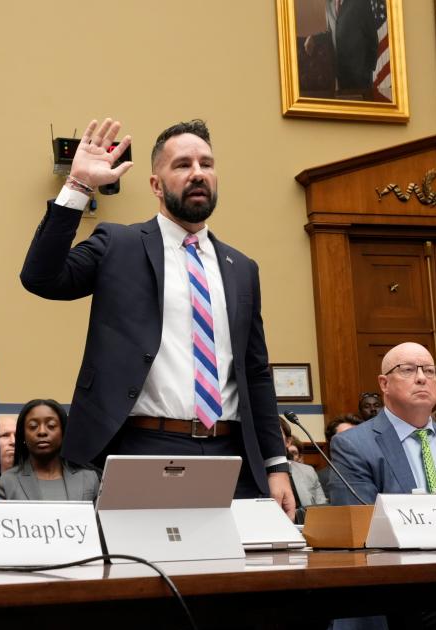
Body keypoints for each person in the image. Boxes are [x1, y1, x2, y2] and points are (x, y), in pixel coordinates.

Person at [21, 118, 293, 516]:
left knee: (235, 574)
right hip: (146, 445)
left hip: (232, 451)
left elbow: (255, 372)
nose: (198, 173)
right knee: (147, 571)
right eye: (182, 165)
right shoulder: (119, 244)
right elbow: (41, 277)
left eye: (206, 163)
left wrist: (276, 465)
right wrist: (78, 185)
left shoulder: (241, 267)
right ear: (155, 185)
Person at [329, 342, 436, 505]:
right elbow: (360, 523)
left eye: (429, 371)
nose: (422, 378)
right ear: (384, 384)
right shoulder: (353, 446)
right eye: (408, 370)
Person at [0, 400, 99, 501]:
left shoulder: (89, 479)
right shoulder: (5, 484)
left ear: (63, 432)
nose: (42, 432)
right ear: (23, 436)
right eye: (33, 426)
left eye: (51, 425)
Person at [302, 0, 379, 96]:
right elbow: (332, 32)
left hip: (360, 73)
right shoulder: (328, 4)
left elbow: (372, 35)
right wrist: (313, 38)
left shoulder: (360, 2)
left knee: (364, 108)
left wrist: (369, 67)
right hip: (340, 71)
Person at [319, 413, 362, 501]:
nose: (351, 441)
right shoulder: (321, 478)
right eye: (344, 437)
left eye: (356, 436)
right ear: (331, 443)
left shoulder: (377, 471)